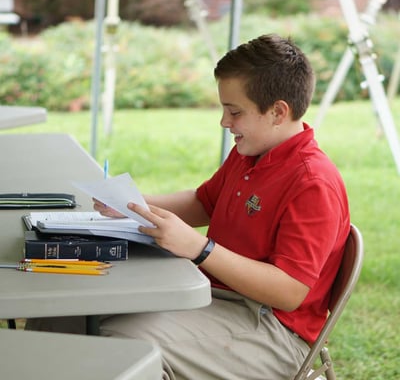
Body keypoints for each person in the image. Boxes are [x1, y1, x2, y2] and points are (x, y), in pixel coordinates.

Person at [27, 34, 350, 380]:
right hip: (216, 298)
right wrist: (131, 205)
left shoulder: (312, 183)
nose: (224, 123)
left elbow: (288, 292)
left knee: (124, 345)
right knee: (64, 312)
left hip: (274, 332)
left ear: (278, 112)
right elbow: (203, 203)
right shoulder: (252, 152)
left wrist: (200, 248)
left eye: (235, 112)